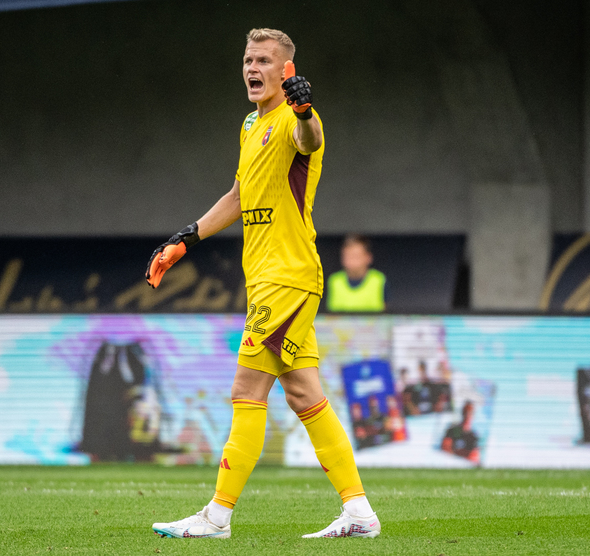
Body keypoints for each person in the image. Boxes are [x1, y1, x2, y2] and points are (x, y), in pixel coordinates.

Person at [145, 28, 380, 539]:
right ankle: (359, 513)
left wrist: (304, 110)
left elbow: (311, 140)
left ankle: (217, 516)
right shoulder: (251, 124)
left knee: (246, 390)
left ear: (285, 70)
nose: (253, 68)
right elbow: (238, 194)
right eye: (248, 60)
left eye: (264, 61)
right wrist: (187, 237)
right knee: (304, 395)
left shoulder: (298, 120)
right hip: (269, 279)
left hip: (287, 277)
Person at [325, 234, 386, 312]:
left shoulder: (379, 280)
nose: (351, 261)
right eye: (348, 256)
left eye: (356, 256)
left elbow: (386, 313)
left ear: (368, 257)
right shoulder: (334, 281)